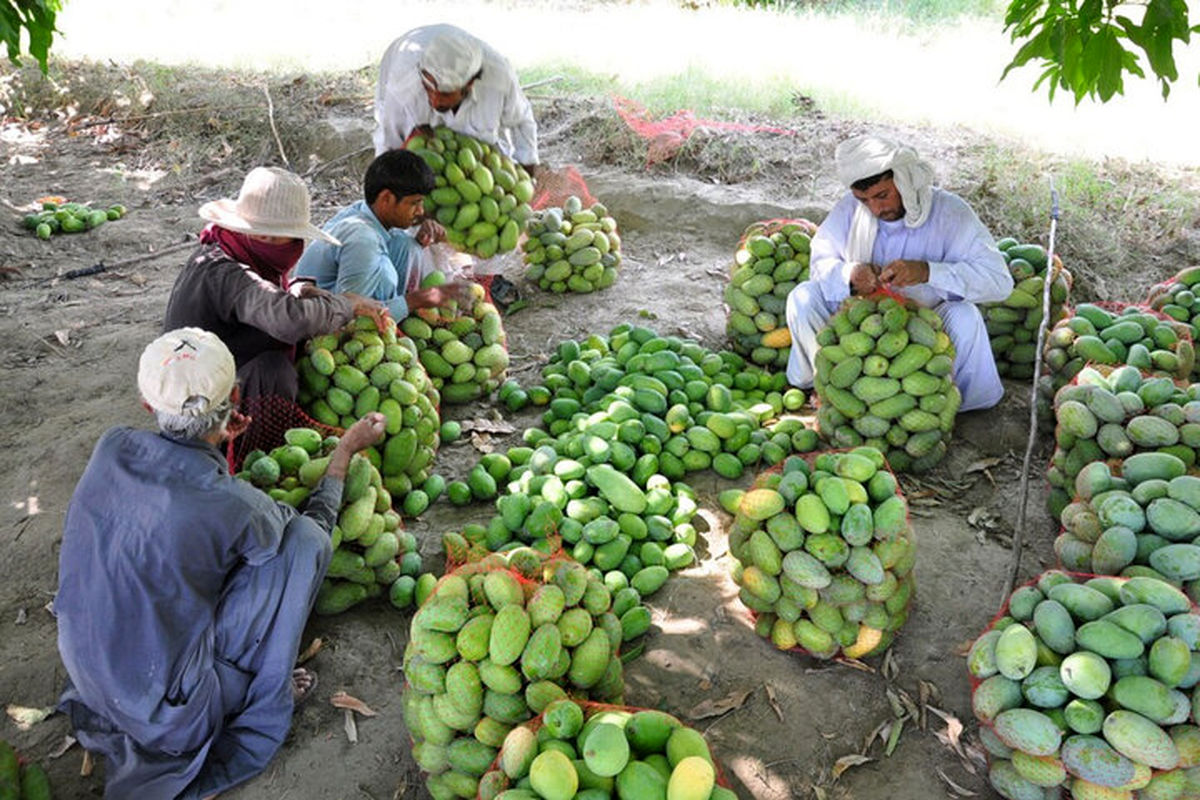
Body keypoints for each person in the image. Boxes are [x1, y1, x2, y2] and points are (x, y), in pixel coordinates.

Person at [55, 327, 387, 799]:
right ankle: (242, 698)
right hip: (169, 717)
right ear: (235, 397)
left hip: (95, 677)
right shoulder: (231, 503)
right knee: (303, 542)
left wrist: (210, 440)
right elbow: (303, 524)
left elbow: (179, 497)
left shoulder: (111, 445)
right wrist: (342, 455)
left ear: (148, 405)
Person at [785, 134, 1013, 412]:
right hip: (861, 322)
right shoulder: (850, 209)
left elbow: (999, 282)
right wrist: (850, 275)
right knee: (802, 296)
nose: (876, 209)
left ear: (904, 180)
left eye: (882, 195)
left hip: (927, 326)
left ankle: (957, 406)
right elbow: (820, 264)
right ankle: (818, 384)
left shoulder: (950, 212)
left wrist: (928, 272)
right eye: (864, 200)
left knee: (966, 317)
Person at [163, 166, 387, 400]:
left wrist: (296, 290)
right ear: (264, 236)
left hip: (219, 364)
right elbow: (289, 320)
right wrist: (346, 305)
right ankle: (244, 436)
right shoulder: (223, 270)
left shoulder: (239, 249)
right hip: (193, 398)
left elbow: (263, 299)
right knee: (275, 372)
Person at [295, 149, 472, 320]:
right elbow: (352, 318)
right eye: (414, 203)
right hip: (324, 323)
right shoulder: (363, 239)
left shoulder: (365, 212)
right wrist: (418, 300)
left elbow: (400, 246)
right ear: (386, 198)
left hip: (340, 300)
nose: (421, 211)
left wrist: (418, 242)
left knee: (408, 245)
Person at [373, 24, 538, 171]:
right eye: (428, 88)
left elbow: (521, 121)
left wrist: (526, 169)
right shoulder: (403, 85)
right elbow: (388, 142)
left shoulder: (498, 81)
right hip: (402, 62)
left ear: (470, 83)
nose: (435, 101)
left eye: (445, 93)